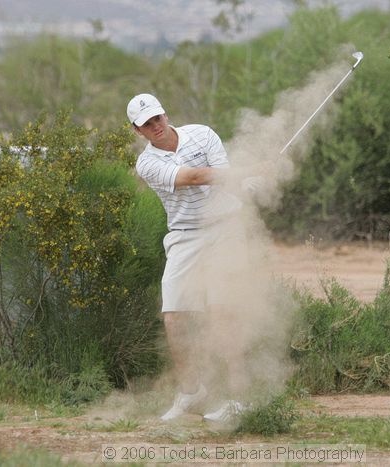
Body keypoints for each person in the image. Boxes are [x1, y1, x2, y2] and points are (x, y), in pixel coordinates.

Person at [127, 93, 259, 423]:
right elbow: (195, 178)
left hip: (225, 227)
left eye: (157, 118)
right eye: (146, 124)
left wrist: (248, 185)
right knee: (174, 317)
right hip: (185, 235)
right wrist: (251, 170)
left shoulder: (202, 134)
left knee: (222, 312)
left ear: (165, 114)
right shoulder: (147, 163)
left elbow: (224, 178)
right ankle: (191, 391)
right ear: (137, 130)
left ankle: (239, 397)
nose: (155, 126)